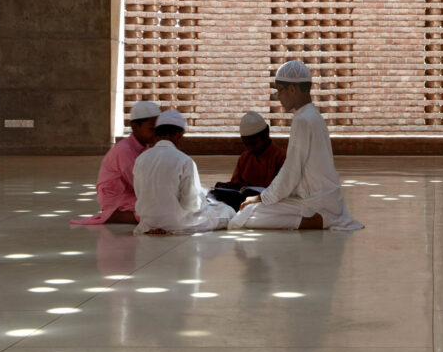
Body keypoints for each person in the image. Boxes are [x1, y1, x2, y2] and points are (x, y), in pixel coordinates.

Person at [229, 61, 363, 231]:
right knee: (249, 212)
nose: (278, 97)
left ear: (292, 89)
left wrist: (260, 197)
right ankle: (321, 217)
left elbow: (291, 171)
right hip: (326, 199)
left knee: (243, 217)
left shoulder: (302, 120)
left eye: (280, 91)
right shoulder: (313, 116)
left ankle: (317, 221)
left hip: (316, 202)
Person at [132, 110, 235, 235]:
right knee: (226, 211)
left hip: (148, 223)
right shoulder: (185, 161)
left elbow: (139, 194)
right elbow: (191, 203)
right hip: (177, 223)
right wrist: (203, 200)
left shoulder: (140, 159)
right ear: (179, 135)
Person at [72, 100, 160, 226]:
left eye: (158, 128)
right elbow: (140, 185)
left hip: (133, 194)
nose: (156, 133)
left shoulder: (145, 147)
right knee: (157, 213)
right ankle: (114, 215)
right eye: (152, 128)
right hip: (118, 198)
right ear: (135, 127)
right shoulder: (124, 150)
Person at [210, 111, 286, 210]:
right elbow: (236, 186)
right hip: (244, 204)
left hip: (269, 205)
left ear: (266, 135)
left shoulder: (281, 157)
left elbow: (282, 190)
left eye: (253, 144)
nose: (250, 148)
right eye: (246, 144)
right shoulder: (244, 158)